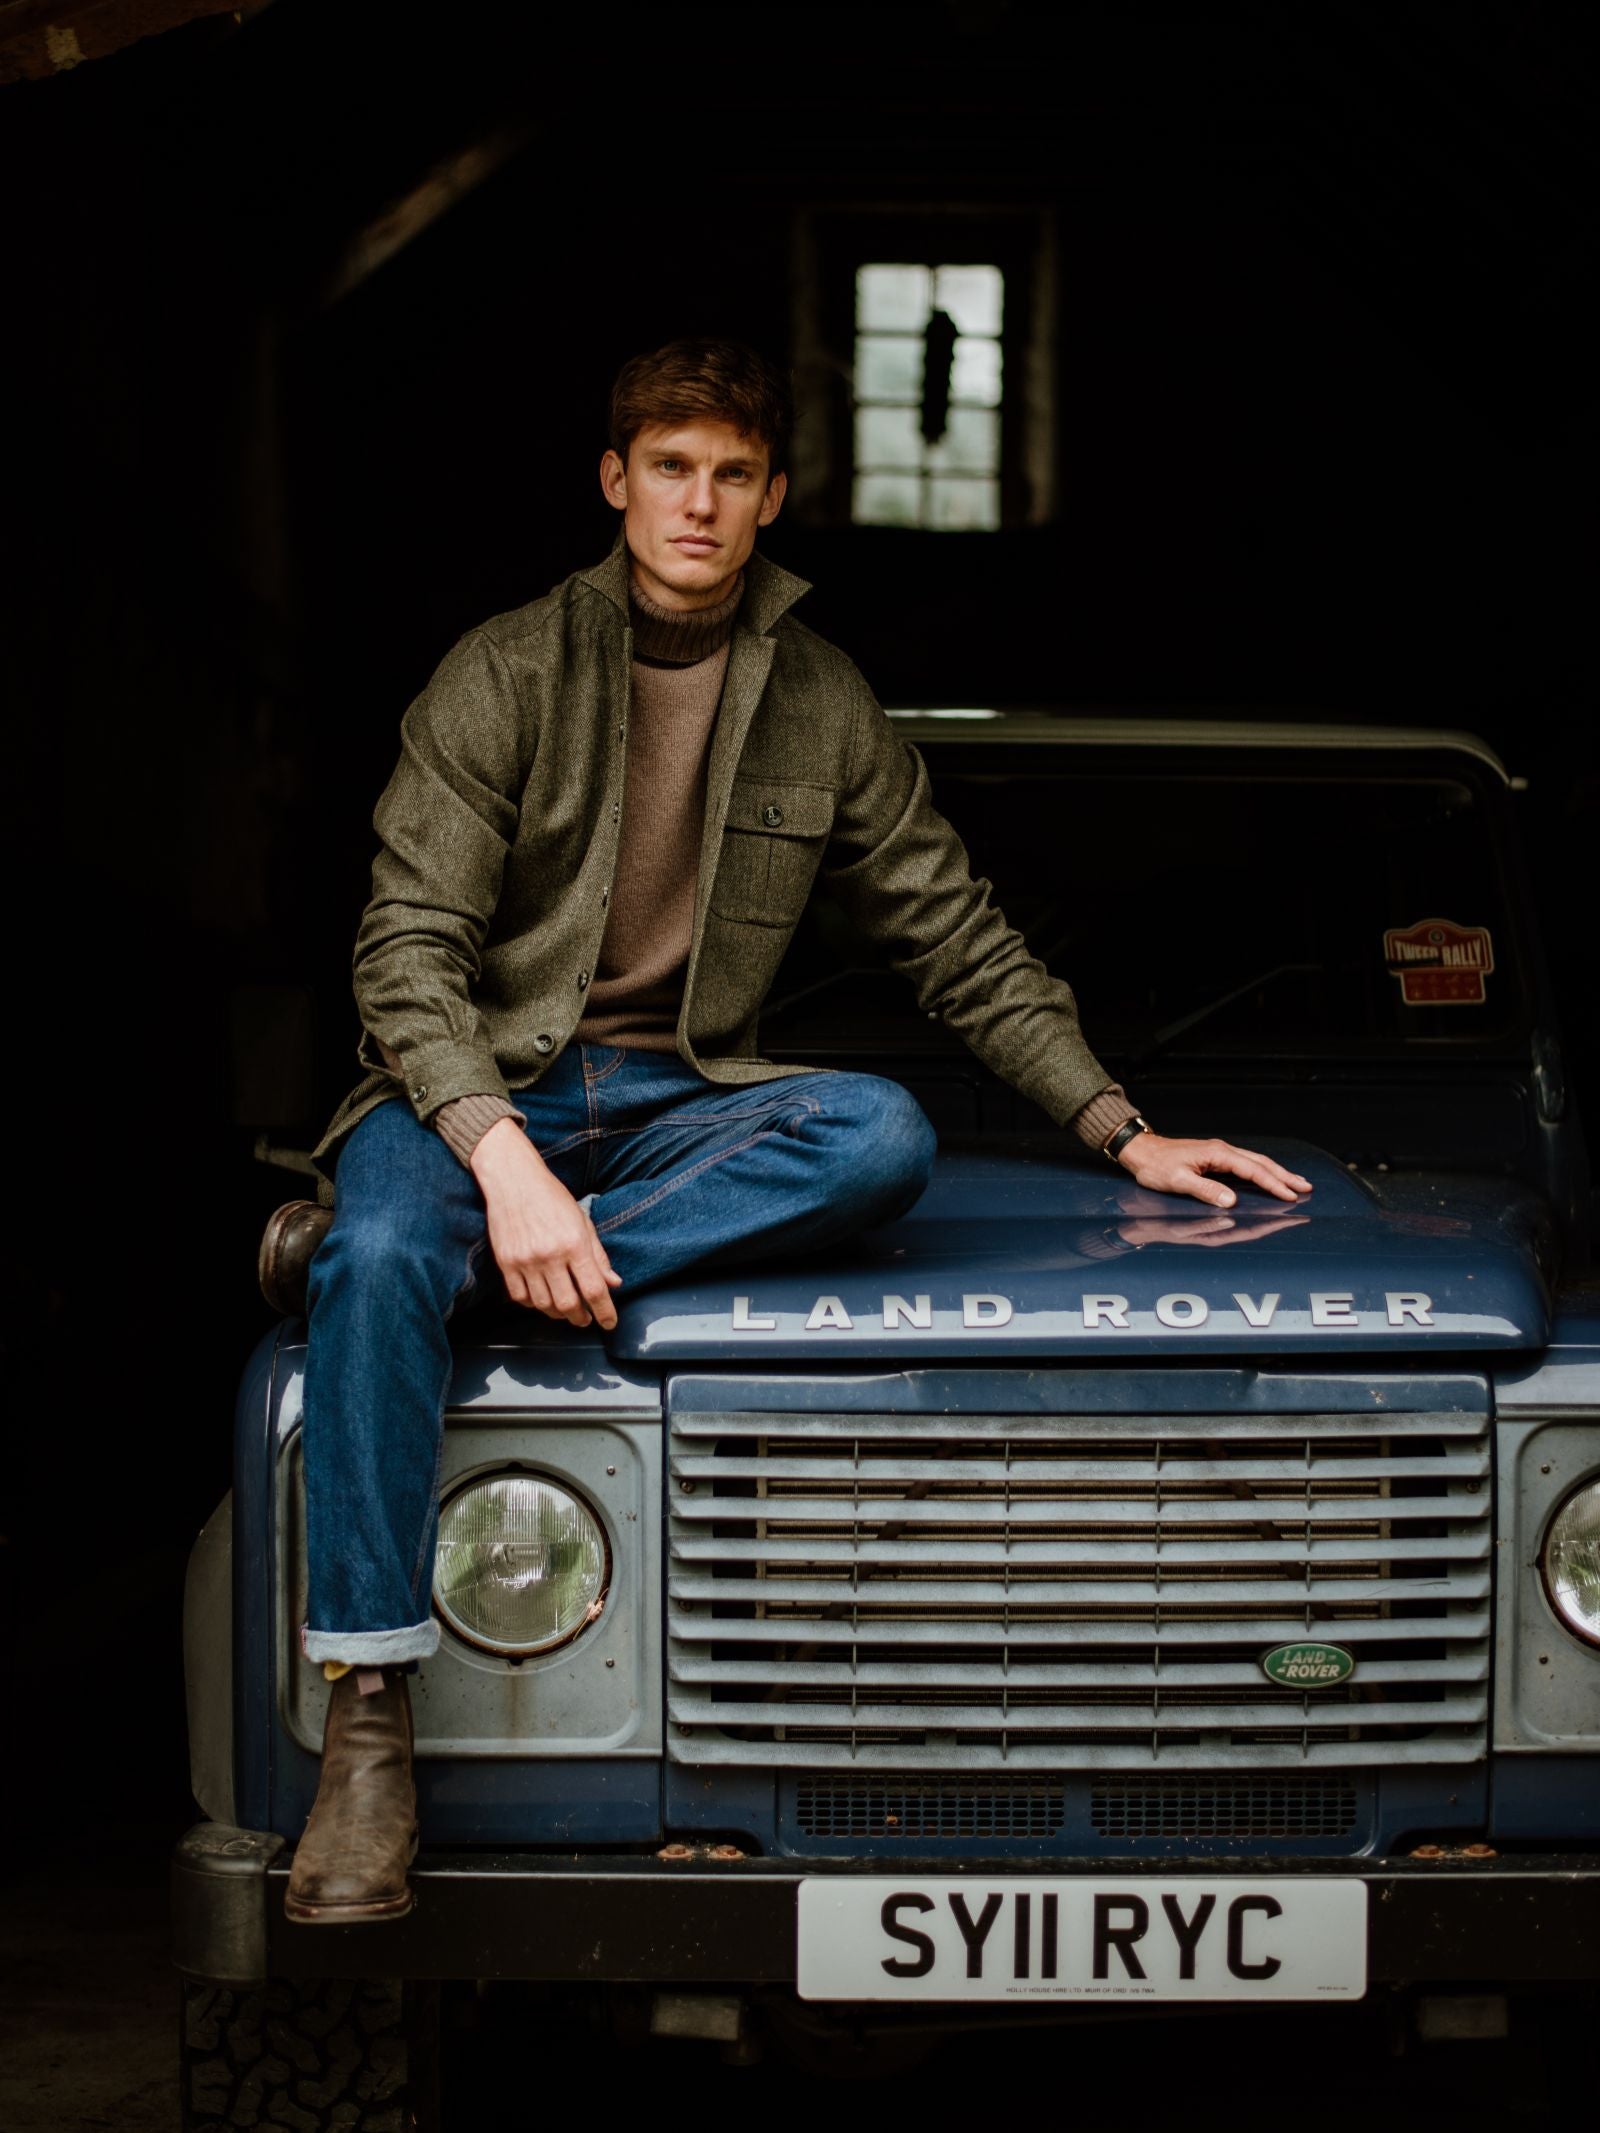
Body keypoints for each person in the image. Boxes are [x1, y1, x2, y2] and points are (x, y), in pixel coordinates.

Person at [283, 337, 1311, 1924]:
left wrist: (1123, 1130)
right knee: (372, 1240)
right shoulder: (502, 669)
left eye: (733, 473)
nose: (700, 501)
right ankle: (369, 1723)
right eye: (670, 466)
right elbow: (402, 949)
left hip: (688, 1100)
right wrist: (500, 1158)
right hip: (472, 1089)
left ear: (773, 496)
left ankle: (444, 1282)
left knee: (877, 1135)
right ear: (617, 480)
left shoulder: (819, 699)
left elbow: (952, 932)